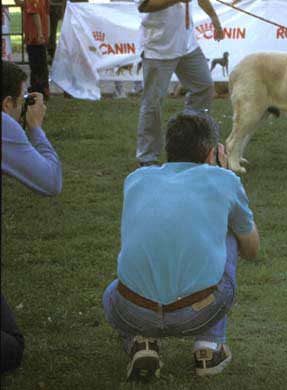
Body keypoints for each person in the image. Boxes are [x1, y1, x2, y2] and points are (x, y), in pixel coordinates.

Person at [103, 112, 260, 382]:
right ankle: (209, 347)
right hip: (198, 312)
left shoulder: (136, 179)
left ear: (168, 148)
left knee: (113, 290)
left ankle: (141, 342)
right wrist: (223, 175)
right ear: (212, 153)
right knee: (230, 236)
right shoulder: (224, 181)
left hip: (129, 308)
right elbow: (252, 249)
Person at [1, 61, 62, 373]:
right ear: (8, 103)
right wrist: (35, 128)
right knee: (11, 348)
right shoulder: (3, 123)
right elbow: (50, 181)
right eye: (22, 101)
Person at [135, 0, 224, 167]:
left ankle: (192, 145)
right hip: (158, 49)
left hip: (187, 45)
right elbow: (144, 5)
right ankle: (147, 157)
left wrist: (215, 20)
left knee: (203, 87)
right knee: (152, 103)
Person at [14, 0, 51, 99]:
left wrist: (39, 33)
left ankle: (38, 91)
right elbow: (46, 13)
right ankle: (43, 89)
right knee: (41, 65)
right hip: (40, 35)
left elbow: (34, 12)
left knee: (36, 65)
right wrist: (47, 32)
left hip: (34, 36)